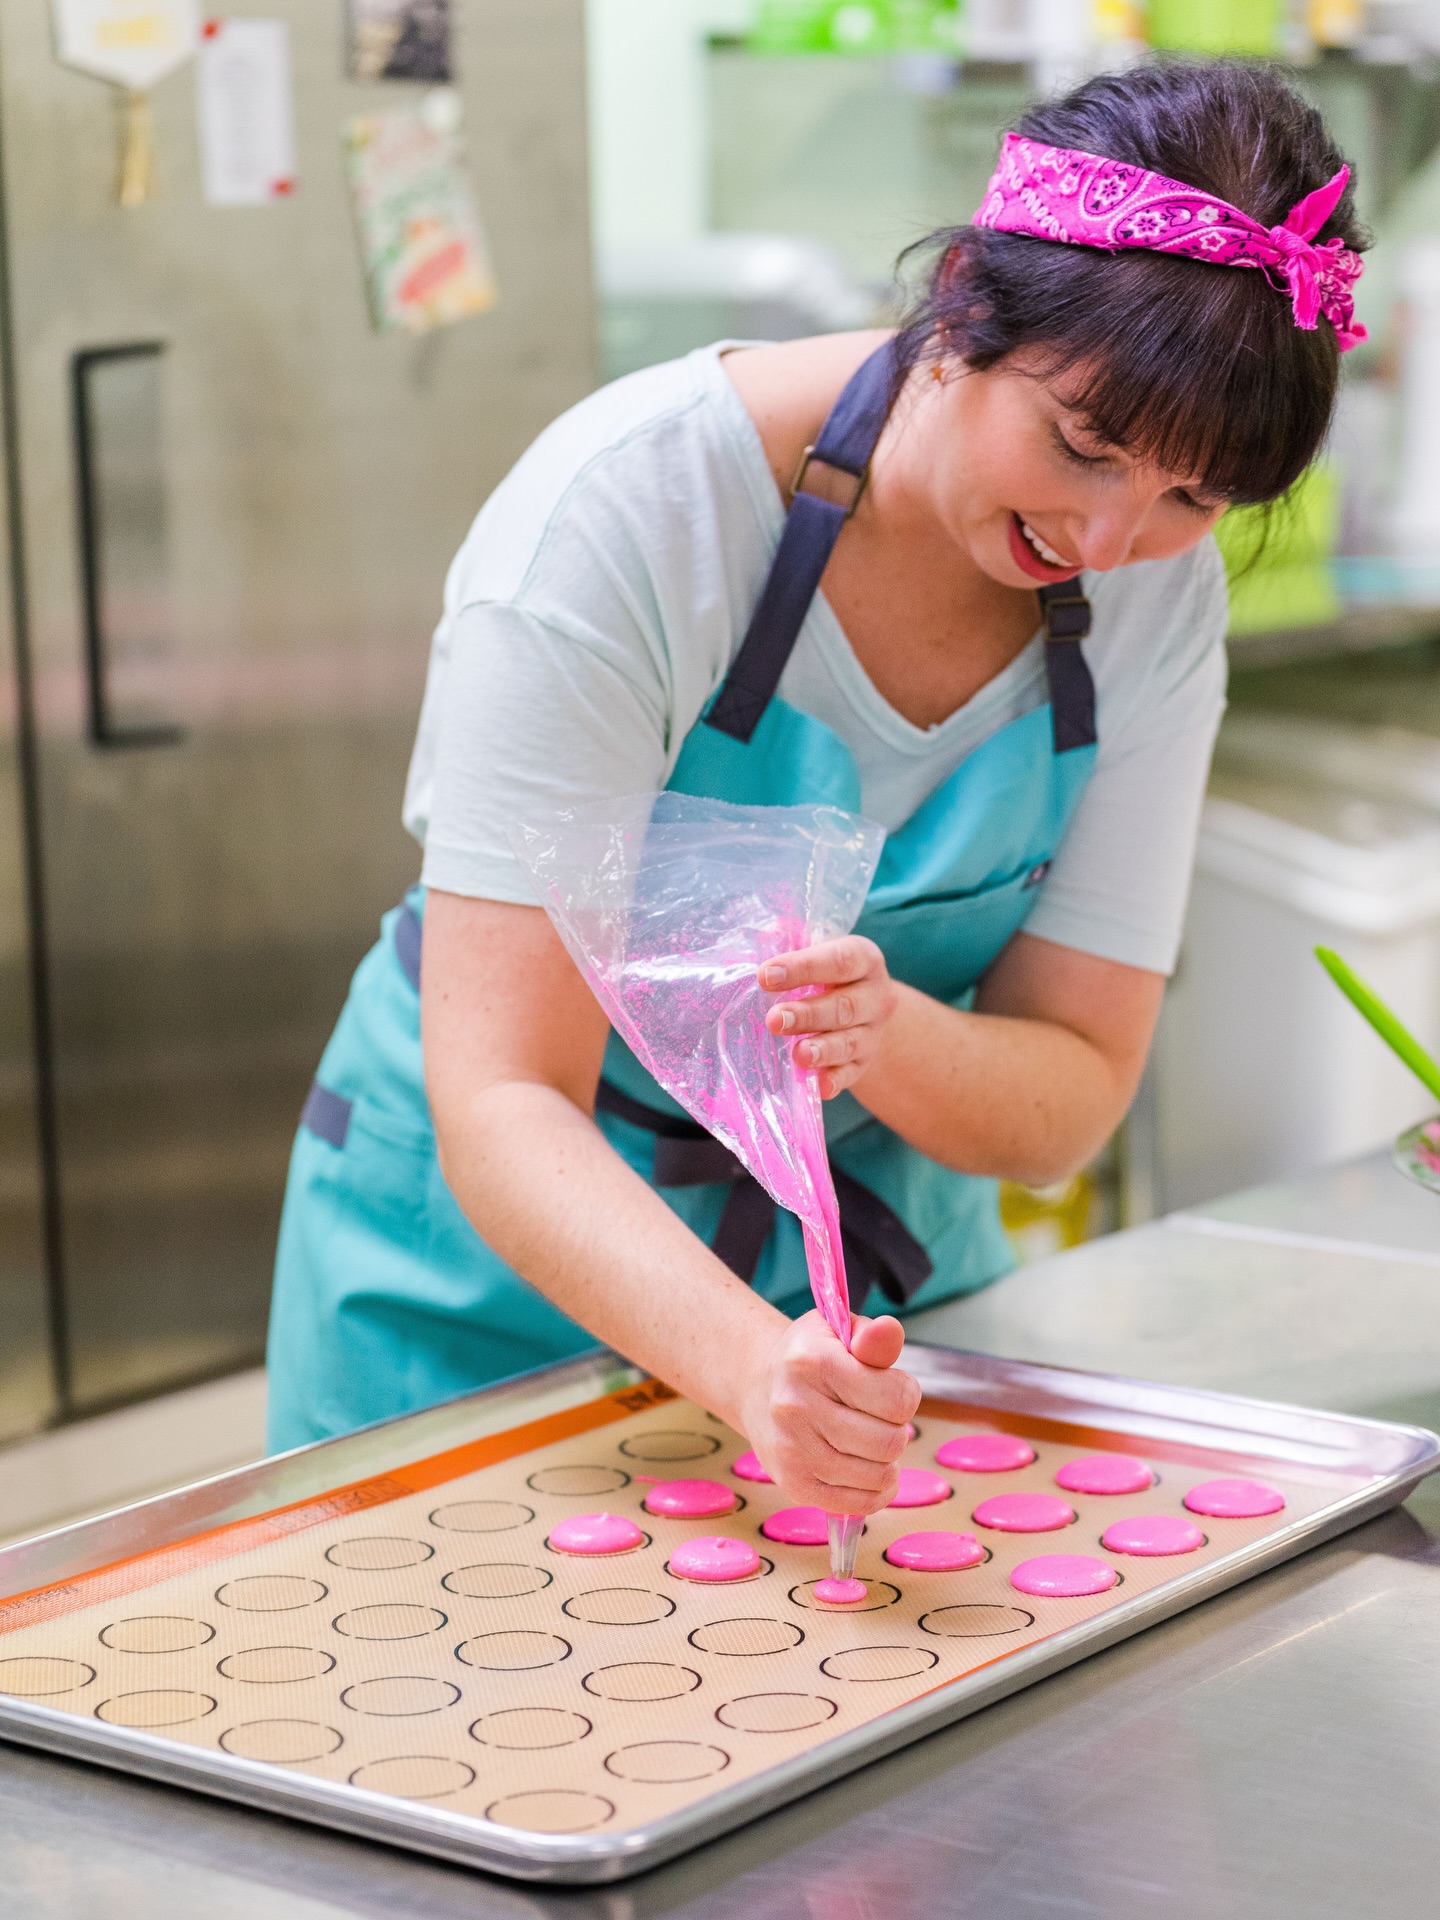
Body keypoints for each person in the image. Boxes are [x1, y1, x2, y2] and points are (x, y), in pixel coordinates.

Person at [266, 60, 1366, 1519]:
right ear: (963, 304)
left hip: (878, 1309)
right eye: (1081, 448)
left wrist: (883, 1033)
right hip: (486, 1297)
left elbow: (1072, 1089)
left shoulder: (1158, 608)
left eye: (1193, 500)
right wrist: (751, 1365)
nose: (1109, 536)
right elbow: (504, 1090)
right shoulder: (632, 517)